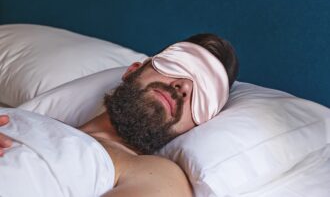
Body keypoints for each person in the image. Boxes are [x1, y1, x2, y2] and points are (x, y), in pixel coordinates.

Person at [0, 33, 239, 196]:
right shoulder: (26, 118)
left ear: (194, 127)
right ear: (132, 71)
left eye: (203, 95)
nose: (184, 87)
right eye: (179, 66)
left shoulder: (154, 173)